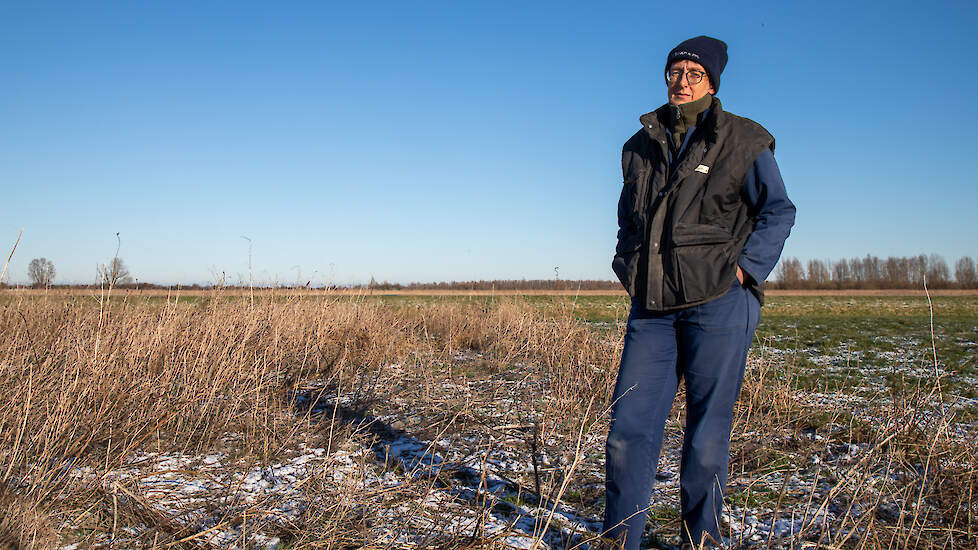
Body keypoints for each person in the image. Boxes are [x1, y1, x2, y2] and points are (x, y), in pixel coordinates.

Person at [602, 36, 796, 548]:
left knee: (707, 437)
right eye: (674, 71)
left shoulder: (743, 139)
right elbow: (629, 219)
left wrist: (745, 271)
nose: (681, 80)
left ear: (712, 82)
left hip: (720, 303)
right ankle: (622, 539)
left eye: (693, 72)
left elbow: (778, 211)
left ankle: (700, 540)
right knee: (628, 430)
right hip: (653, 309)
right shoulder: (640, 145)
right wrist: (630, 267)